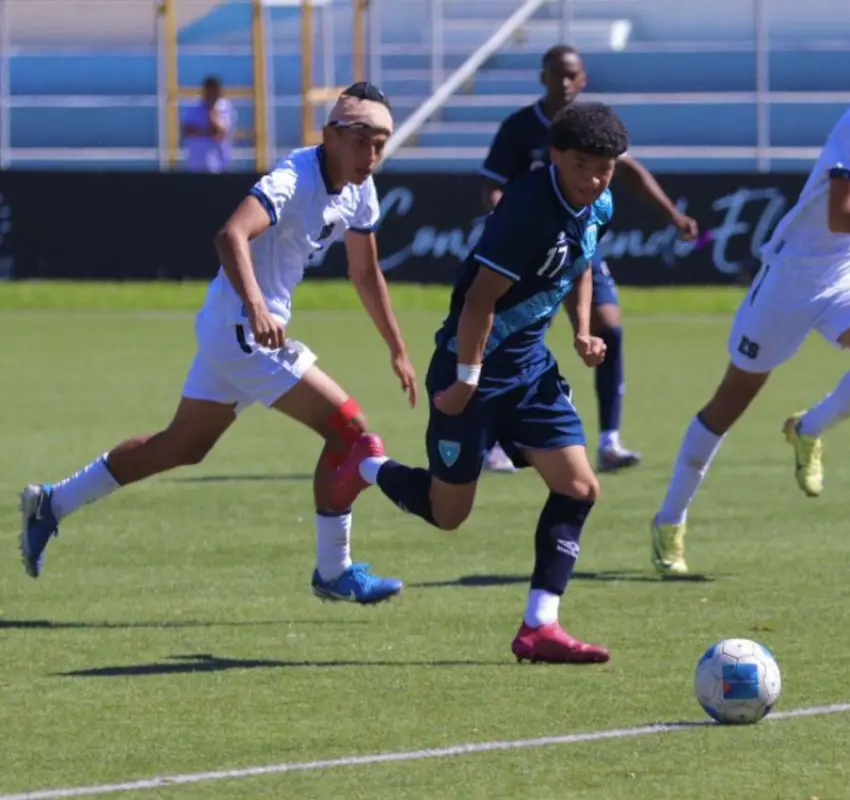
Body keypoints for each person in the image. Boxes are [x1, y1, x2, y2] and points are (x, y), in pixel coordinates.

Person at [19, 82, 419, 605]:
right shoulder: (295, 177)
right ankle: (334, 570)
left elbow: (366, 273)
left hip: (235, 329)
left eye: (381, 143)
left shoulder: (359, 188)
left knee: (182, 446)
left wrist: (396, 346)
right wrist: (255, 306)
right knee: (351, 431)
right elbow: (230, 235)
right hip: (244, 330)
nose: (371, 154)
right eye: (362, 140)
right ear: (331, 136)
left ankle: (52, 503)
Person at [648, 40, 850, 575]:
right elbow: (842, 215)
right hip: (791, 278)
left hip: (846, 272)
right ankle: (669, 520)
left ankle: (807, 429)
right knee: (728, 406)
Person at [329, 102, 630, 663]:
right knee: (450, 515)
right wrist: (468, 380)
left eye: (606, 169)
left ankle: (540, 626)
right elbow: (478, 301)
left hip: (531, 372)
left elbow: (581, 261)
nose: (595, 180)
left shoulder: (599, 203)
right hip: (471, 370)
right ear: (557, 156)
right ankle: (366, 466)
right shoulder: (528, 213)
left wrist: (583, 330)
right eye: (584, 166)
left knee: (579, 487)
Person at [477, 43, 700, 475]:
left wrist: (672, 214)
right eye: (556, 74)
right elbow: (491, 185)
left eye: (571, 75)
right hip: (526, 254)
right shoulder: (520, 127)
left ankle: (609, 441)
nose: (563, 82)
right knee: (507, 338)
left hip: (576, 248)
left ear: (583, 80)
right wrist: (505, 221)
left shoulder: (592, 129)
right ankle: (495, 441)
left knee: (609, 331)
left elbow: (630, 171)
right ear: (543, 77)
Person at [181, 75, 237, 173]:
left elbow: (218, 133)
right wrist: (206, 131)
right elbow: (187, 131)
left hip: (219, 166)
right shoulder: (193, 107)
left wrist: (211, 110)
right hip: (196, 164)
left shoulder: (225, 108)